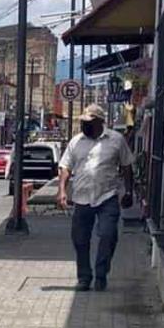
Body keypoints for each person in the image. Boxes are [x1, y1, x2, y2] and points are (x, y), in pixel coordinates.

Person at [56, 104, 135, 292]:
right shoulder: (76, 142)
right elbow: (65, 167)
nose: (85, 125)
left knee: (108, 235)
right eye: (83, 122)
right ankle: (84, 277)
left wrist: (129, 191)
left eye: (89, 122)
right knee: (80, 239)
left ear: (101, 122)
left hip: (107, 196)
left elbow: (126, 166)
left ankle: (101, 274)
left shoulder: (116, 140)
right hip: (82, 198)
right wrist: (61, 190)